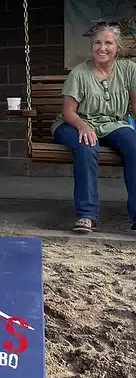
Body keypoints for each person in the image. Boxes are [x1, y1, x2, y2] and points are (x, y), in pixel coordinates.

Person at [51, 21, 136, 234]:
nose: (102, 47)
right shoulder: (79, 73)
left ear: (118, 48)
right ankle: (86, 215)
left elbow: (135, 108)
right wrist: (83, 126)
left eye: (108, 43)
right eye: (97, 42)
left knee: (134, 146)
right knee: (87, 146)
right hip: (73, 123)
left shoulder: (129, 70)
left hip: (113, 124)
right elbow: (68, 112)